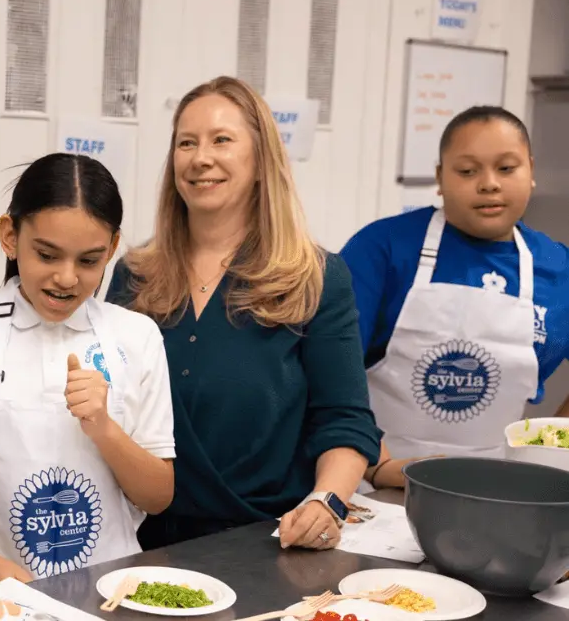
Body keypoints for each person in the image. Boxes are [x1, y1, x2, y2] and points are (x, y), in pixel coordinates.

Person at [107, 76, 382, 551]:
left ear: (260, 161)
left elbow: (345, 420)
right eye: (186, 143)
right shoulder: (135, 275)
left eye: (222, 140)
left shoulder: (313, 277)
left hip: (266, 543)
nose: (200, 158)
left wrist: (326, 501)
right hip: (137, 542)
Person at [0, 153, 176, 595]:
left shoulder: (137, 336)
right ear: (9, 236)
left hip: (107, 591)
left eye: (90, 261)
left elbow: (157, 497)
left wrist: (104, 428)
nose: (66, 278)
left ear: (112, 249)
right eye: (46, 254)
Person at [340, 105, 569, 487]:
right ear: (440, 178)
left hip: (498, 488)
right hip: (372, 482)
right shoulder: (383, 248)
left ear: (530, 171)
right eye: (467, 171)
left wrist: (548, 453)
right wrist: (376, 467)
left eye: (507, 168)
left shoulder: (557, 267)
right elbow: (328, 372)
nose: (489, 184)